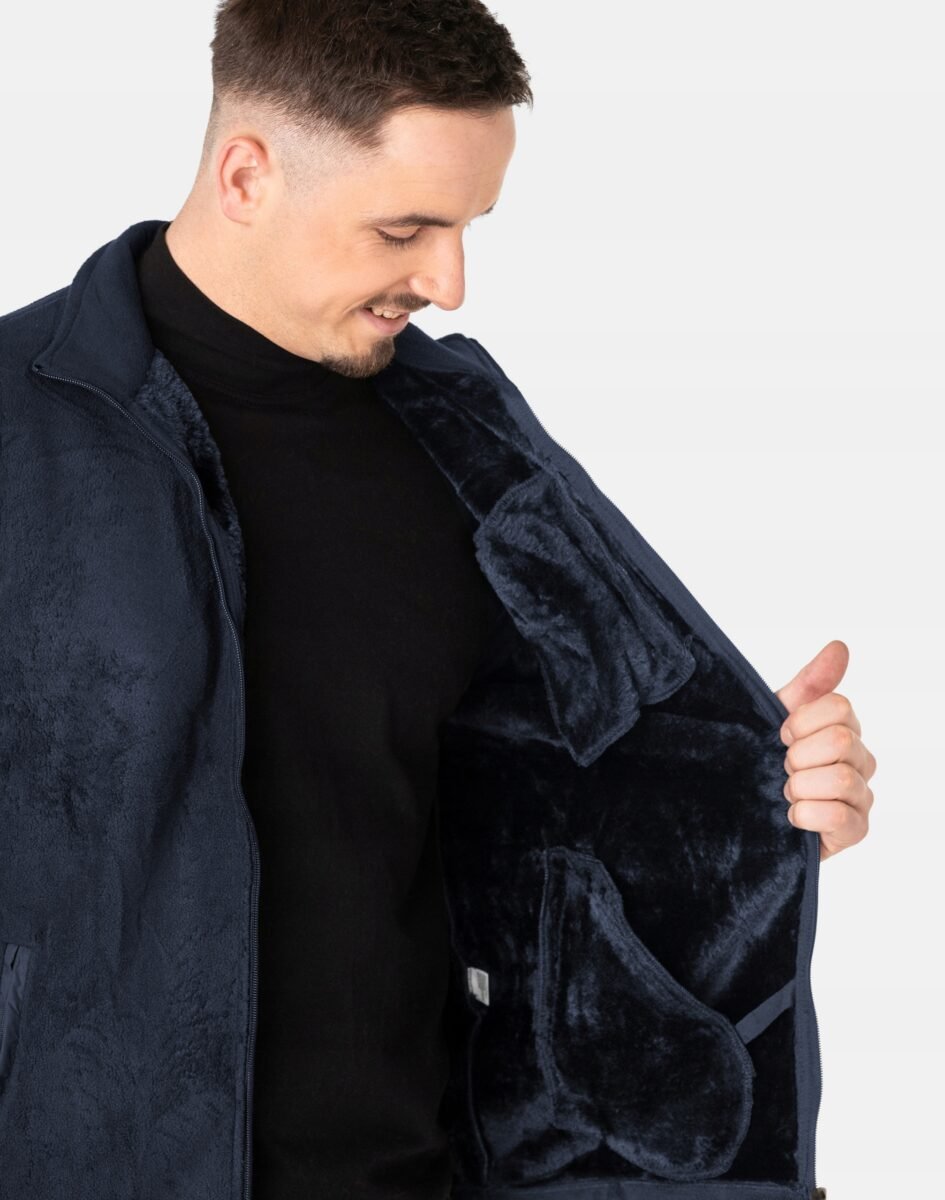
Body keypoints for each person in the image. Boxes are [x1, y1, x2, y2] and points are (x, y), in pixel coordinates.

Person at [0, 3, 875, 1199]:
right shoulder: (16, 435)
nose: (449, 282)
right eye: (405, 229)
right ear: (247, 175)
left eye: (467, 227)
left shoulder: (467, 444)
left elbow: (565, 802)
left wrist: (761, 792)